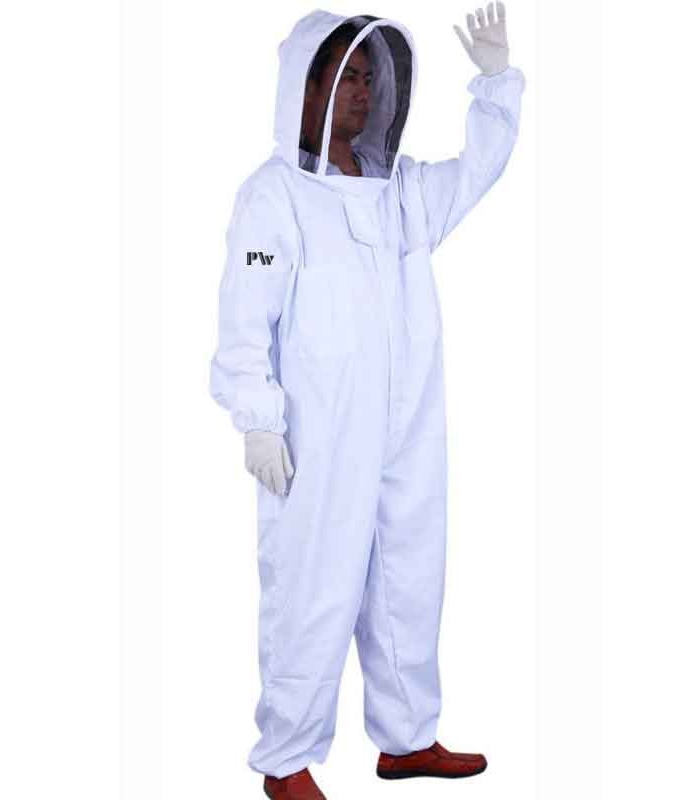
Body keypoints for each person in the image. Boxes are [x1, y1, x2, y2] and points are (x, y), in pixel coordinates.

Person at [209, 6, 525, 799]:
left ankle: (407, 738)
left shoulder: (400, 193)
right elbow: (245, 320)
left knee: (410, 576)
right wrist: (257, 419)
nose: (361, 92)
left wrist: (496, 86)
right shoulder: (273, 197)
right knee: (313, 588)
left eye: (367, 78)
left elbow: (476, 170)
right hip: (318, 436)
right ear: (304, 88)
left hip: (408, 424)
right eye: (345, 77)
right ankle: (286, 759)